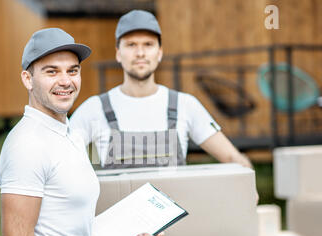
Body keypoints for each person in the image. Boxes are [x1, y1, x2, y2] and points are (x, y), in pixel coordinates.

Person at [0, 28, 162, 236]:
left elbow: (67, 218)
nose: (65, 81)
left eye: (72, 71)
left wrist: (128, 235)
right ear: (28, 79)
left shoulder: (69, 133)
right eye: (51, 72)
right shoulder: (27, 144)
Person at [70, 10, 253, 170]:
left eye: (148, 44)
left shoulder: (185, 105)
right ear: (118, 53)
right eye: (131, 45)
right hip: (116, 209)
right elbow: (60, 162)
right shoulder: (93, 109)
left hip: (175, 210)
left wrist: (247, 184)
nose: (140, 53)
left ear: (159, 52)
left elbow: (232, 158)